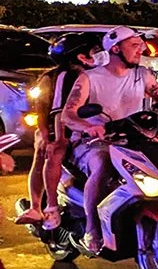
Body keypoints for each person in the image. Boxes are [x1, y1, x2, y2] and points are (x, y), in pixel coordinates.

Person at [61, 27, 158, 254]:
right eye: (134, 46)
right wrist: (90, 127)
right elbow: (68, 114)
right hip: (94, 141)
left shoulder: (143, 75)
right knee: (102, 164)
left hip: (131, 138)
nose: (140, 50)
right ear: (116, 49)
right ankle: (92, 228)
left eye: (140, 45)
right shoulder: (90, 78)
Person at [16, 33, 101, 228]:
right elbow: (53, 111)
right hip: (61, 129)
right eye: (94, 51)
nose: (99, 54)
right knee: (47, 154)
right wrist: (53, 137)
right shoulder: (63, 76)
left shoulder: (99, 73)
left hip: (90, 129)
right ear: (80, 56)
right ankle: (45, 208)